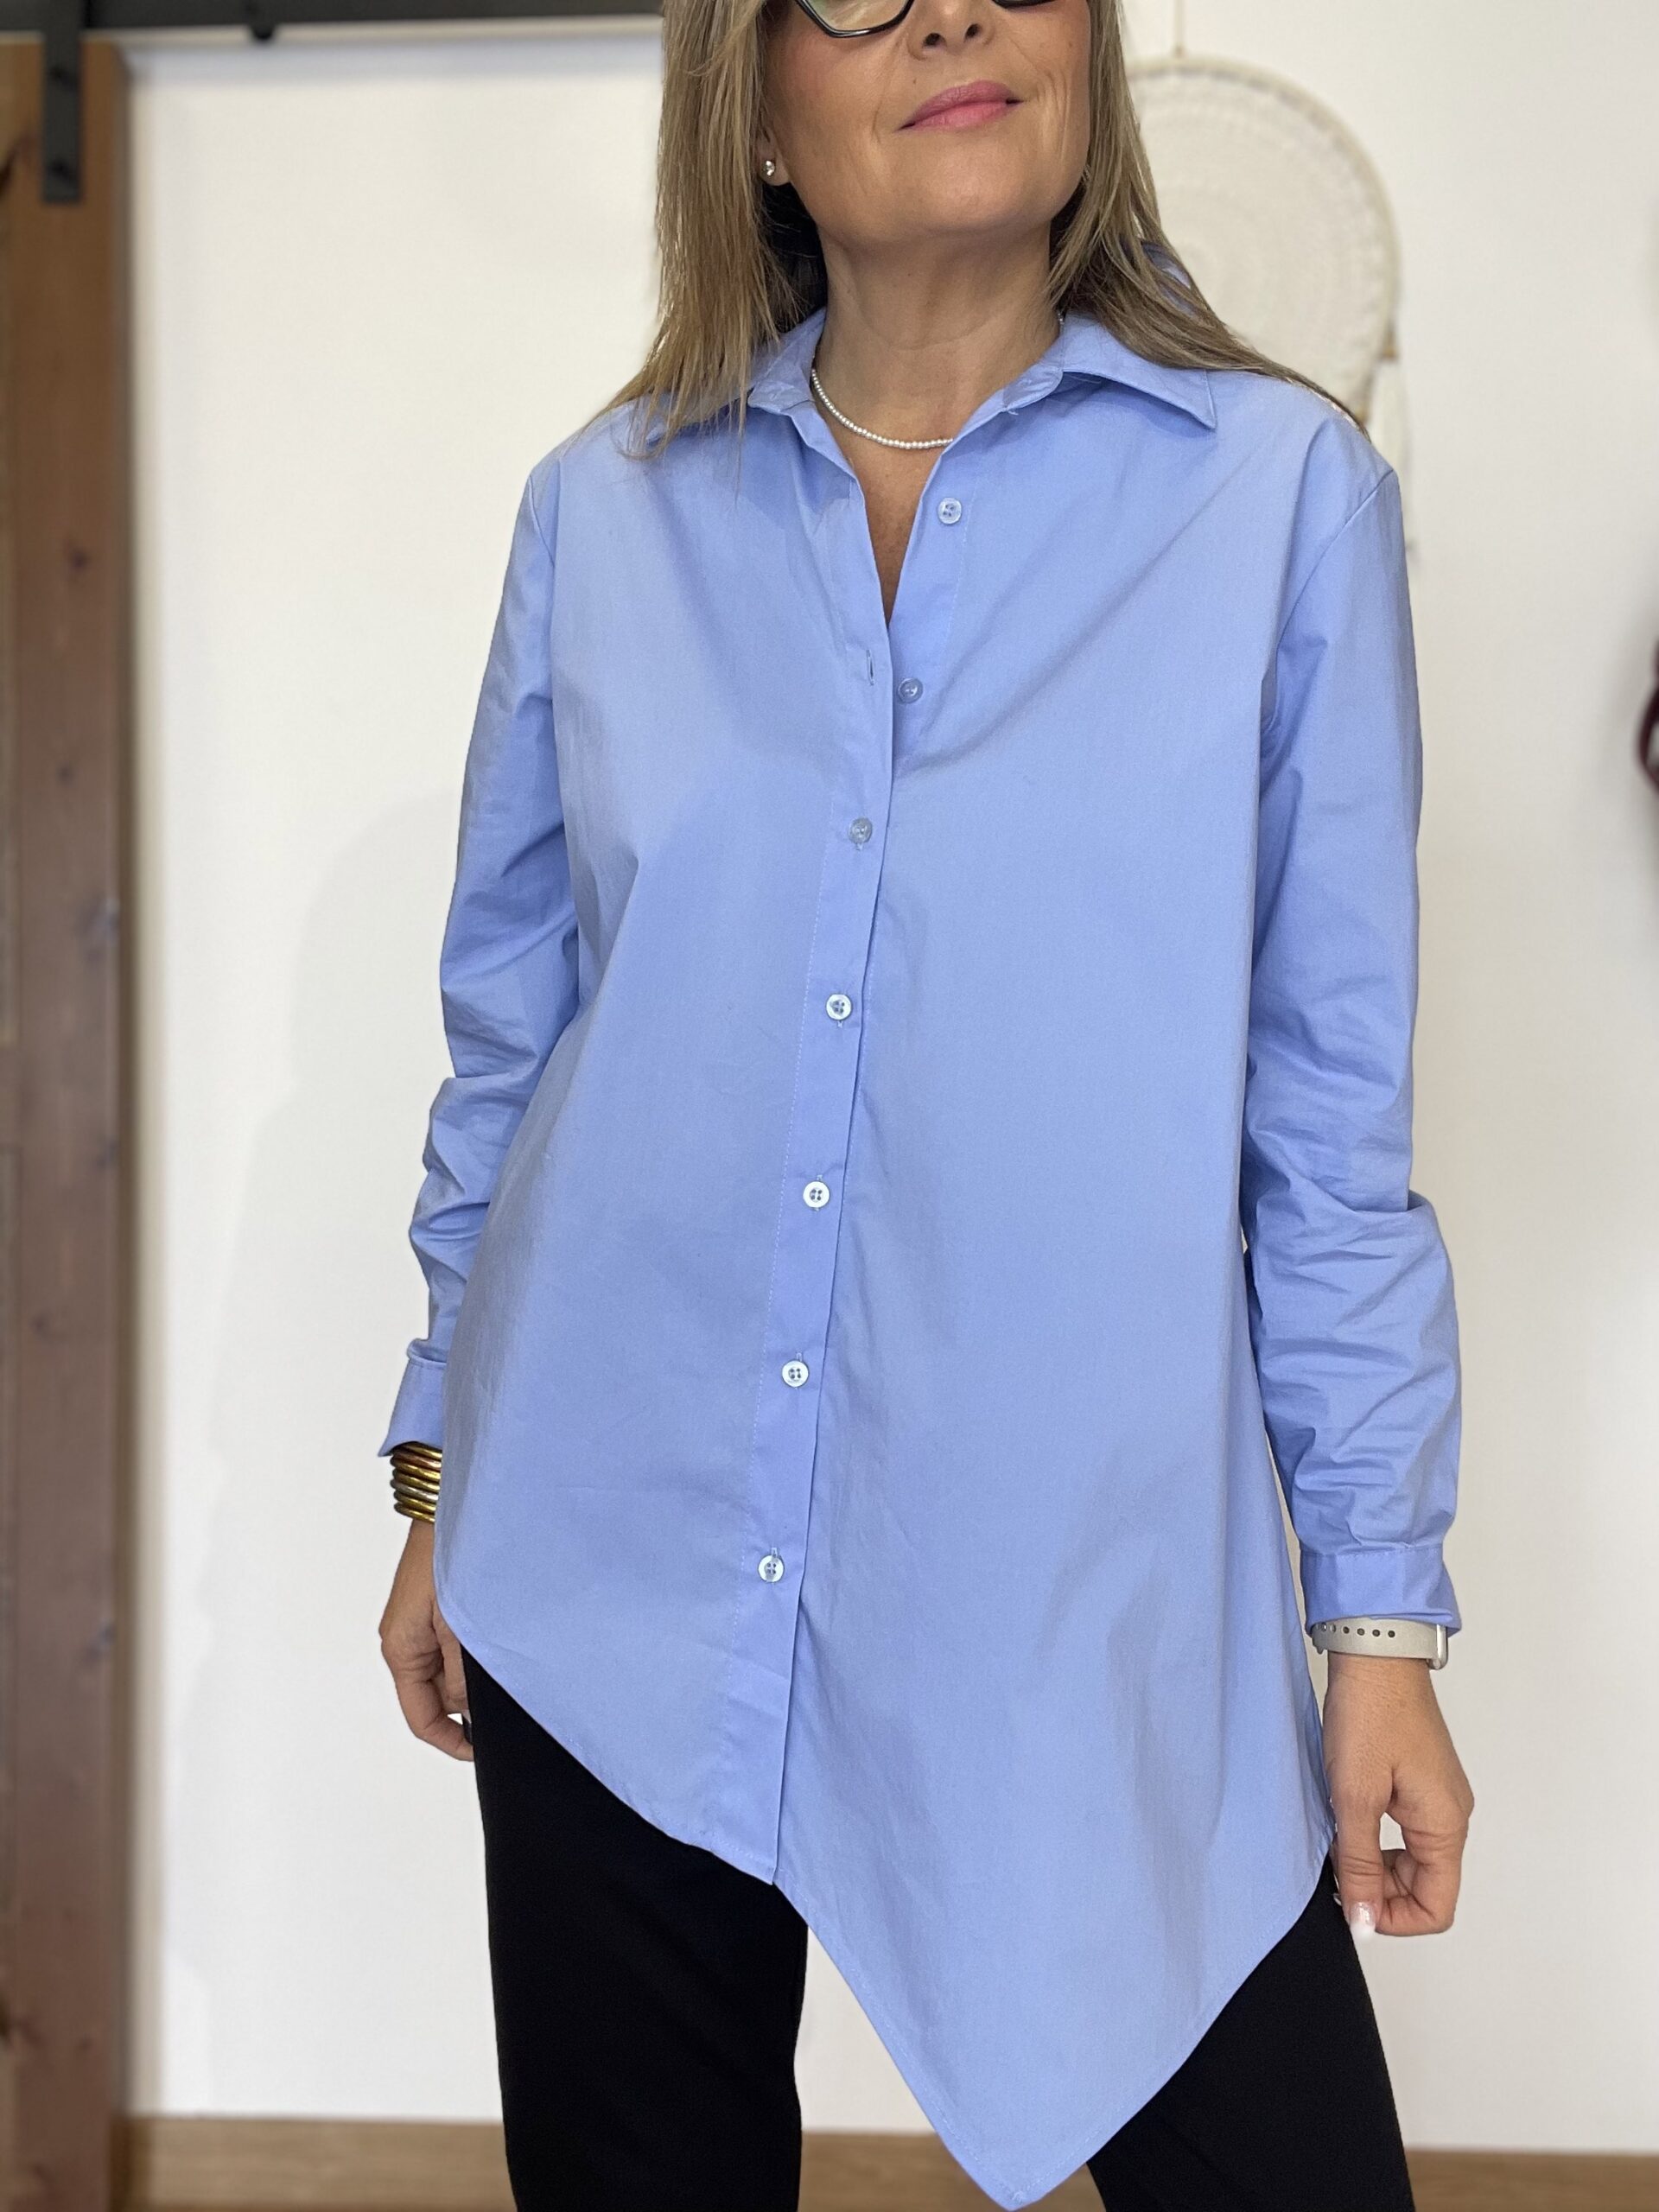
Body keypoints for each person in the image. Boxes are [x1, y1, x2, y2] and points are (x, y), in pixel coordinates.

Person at [374, 0, 1476, 2202]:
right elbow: (521, 1037)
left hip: (1070, 1585)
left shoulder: (1278, 503)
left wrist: (1377, 1616)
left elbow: (1330, 1123)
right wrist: (436, 1468)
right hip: (606, 1538)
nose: (952, 11)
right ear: (756, 114)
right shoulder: (604, 514)